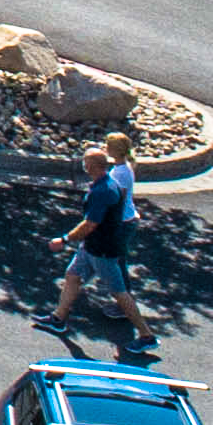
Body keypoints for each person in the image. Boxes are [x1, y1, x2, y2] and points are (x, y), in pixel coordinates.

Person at [50, 134, 140, 335]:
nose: (105, 148)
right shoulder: (122, 169)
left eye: (108, 146)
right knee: (78, 272)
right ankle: (59, 315)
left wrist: (69, 238)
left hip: (120, 225)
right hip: (111, 230)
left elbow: (112, 206)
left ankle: (135, 319)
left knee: (115, 271)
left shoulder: (117, 176)